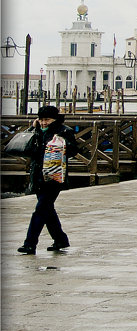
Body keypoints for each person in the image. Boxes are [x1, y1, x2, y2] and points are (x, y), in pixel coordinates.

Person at [18, 106, 79, 255]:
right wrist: (33, 129)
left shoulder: (64, 131)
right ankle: (61, 239)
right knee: (47, 210)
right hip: (38, 175)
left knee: (40, 210)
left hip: (54, 177)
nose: (44, 123)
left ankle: (30, 244)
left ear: (55, 119)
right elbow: (27, 147)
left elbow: (74, 150)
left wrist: (61, 145)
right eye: (41, 119)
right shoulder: (37, 130)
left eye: (47, 120)